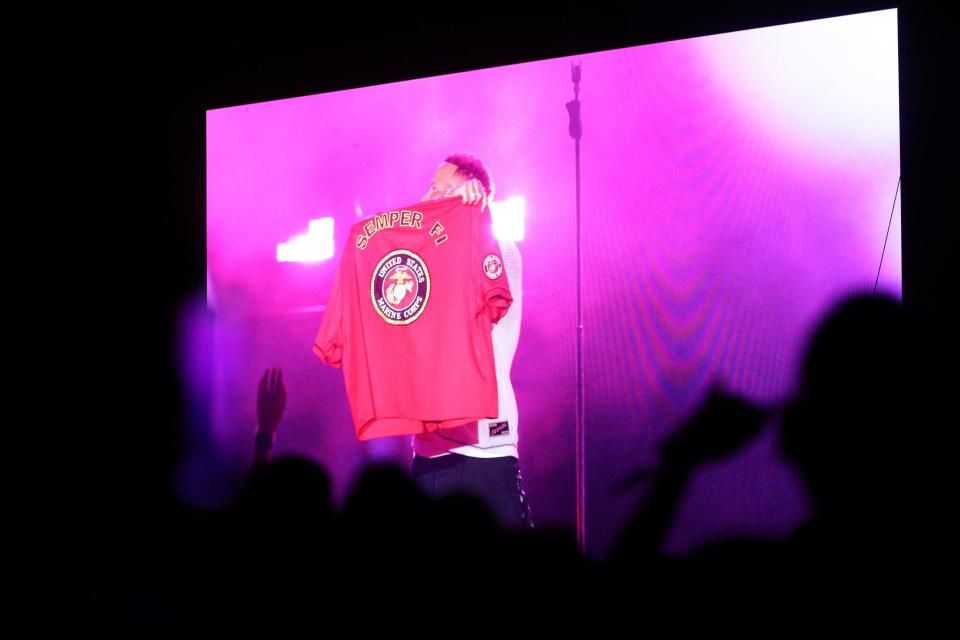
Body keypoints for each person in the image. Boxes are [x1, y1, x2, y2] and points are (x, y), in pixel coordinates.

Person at [409, 153, 534, 531]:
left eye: (437, 187)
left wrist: (471, 220)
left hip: (484, 450)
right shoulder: (425, 260)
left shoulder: (501, 249)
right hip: (430, 453)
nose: (425, 195)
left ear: (470, 193)